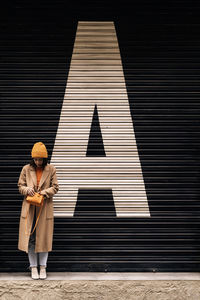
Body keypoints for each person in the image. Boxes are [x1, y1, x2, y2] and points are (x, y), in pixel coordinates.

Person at [17, 142, 59, 279]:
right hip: (29, 208)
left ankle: (43, 267)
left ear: (45, 159)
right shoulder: (26, 169)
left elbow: (55, 187)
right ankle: (33, 267)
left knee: (44, 239)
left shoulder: (51, 169)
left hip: (44, 207)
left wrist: (44, 192)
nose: (38, 162)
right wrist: (26, 189)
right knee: (31, 238)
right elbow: (20, 186)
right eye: (35, 159)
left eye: (40, 159)